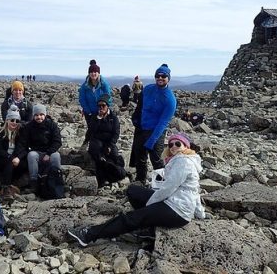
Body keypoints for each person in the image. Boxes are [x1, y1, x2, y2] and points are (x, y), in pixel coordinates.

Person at [68, 133, 205, 247]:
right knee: (133, 191)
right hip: (174, 202)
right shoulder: (180, 160)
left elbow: (168, 189)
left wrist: (150, 205)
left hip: (177, 210)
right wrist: (200, 213)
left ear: (186, 146)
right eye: (170, 144)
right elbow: (194, 190)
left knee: (131, 218)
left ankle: (88, 235)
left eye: (178, 144)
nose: (173, 147)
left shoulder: (183, 162)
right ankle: (148, 226)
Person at [129, 64, 176, 182]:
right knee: (140, 156)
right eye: (157, 76)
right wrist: (136, 118)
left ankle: (160, 184)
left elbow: (163, 122)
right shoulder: (148, 88)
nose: (160, 78)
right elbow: (140, 106)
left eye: (163, 76)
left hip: (156, 131)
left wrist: (152, 140)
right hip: (142, 128)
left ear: (168, 78)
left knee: (156, 159)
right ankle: (141, 180)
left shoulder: (170, 99)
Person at [14, 104, 62, 191]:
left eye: (41, 115)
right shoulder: (29, 126)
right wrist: (18, 156)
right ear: (33, 116)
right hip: (36, 152)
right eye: (36, 115)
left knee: (56, 156)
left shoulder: (52, 125)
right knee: (31, 155)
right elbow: (23, 143)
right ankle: (34, 182)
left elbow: (57, 141)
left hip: (50, 151)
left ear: (45, 115)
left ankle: (57, 180)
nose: (39, 117)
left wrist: (49, 153)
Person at [84, 94, 125, 187]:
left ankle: (117, 173)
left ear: (107, 106)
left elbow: (116, 133)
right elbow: (92, 130)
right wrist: (99, 119)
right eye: (99, 106)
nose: (101, 107)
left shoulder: (113, 118)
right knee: (96, 152)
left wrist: (110, 145)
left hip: (109, 141)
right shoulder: (95, 116)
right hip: (97, 140)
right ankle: (101, 176)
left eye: (103, 105)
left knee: (114, 154)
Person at [0, 105, 25, 197]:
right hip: (2, 158)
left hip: (14, 158)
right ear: (7, 120)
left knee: (23, 162)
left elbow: (23, 148)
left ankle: (16, 184)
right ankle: (6, 187)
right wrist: (12, 158)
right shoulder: (0, 133)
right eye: (12, 120)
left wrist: (18, 158)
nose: (14, 123)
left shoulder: (20, 134)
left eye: (17, 121)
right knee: (8, 163)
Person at [79, 60, 112, 126]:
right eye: (91, 72)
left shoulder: (104, 84)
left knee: (102, 130)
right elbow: (82, 99)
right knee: (91, 131)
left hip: (102, 112)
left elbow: (108, 98)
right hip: (89, 113)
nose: (93, 73)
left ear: (98, 73)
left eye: (95, 72)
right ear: (89, 73)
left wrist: (104, 110)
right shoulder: (85, 86)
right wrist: (88, 111)